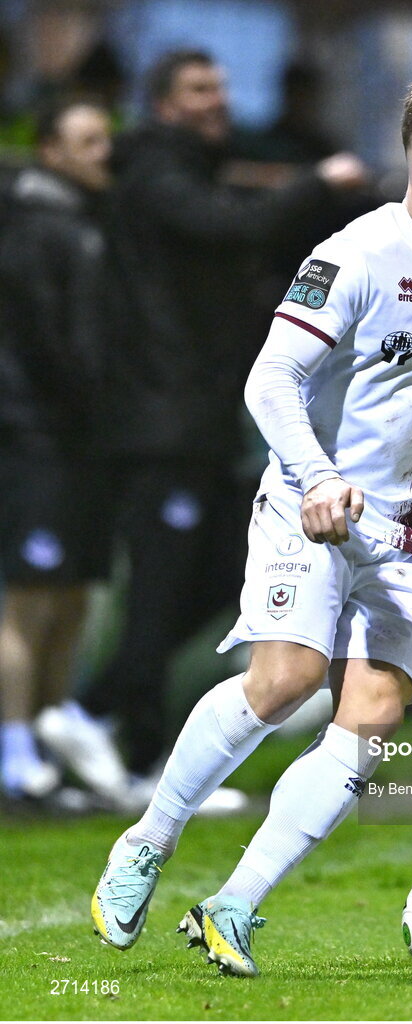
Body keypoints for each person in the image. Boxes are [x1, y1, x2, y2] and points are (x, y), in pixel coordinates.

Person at [90, 74, 412, 977]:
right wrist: (318, 478)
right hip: (312, 506)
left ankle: (231, 909)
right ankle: (146, 843)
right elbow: (270, 379)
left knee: (371, 712)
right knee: (285, 682)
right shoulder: (356, 255)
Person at [39, 50, 368, 795]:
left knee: (225, 571)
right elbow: (227, 228)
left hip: (196, 419)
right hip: (161, 421)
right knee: (161, 586)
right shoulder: (156, 170)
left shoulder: (188, 165)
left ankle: (97, 715)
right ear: (160, 105)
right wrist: (317, 183)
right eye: (197, 88)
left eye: (221, 85)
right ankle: (135, 753)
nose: (216, 99)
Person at [0, 98, 128, 800]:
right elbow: (44, 338)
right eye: (87, 139)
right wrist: (88, 396)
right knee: (30, 599)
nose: (103, 151)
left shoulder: (86, 220)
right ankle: (14, 751)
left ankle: (52, 739)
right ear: (50, 150)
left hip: (82, 435)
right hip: (37, 432)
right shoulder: (33, 226)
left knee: (75, 595)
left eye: (105, 137)